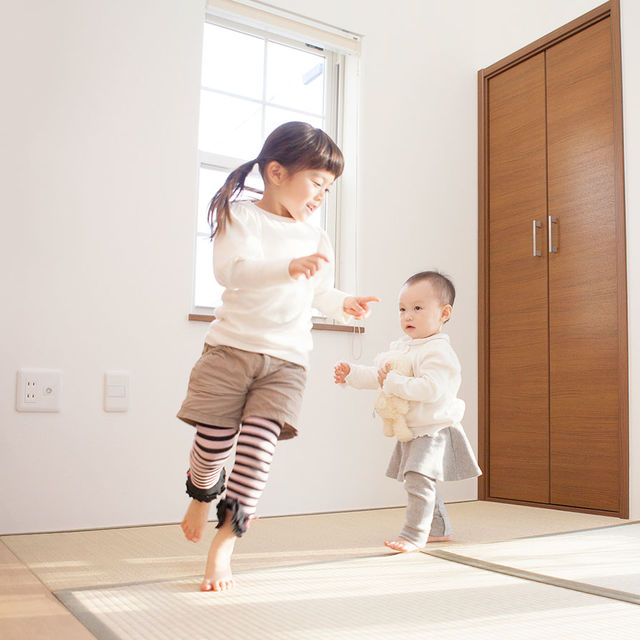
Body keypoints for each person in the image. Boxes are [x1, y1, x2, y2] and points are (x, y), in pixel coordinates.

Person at [177, 121, 379, 592]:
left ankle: (225, 542)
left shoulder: (315, 236)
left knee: (258, 451)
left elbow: (319, 291)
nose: (320, 196)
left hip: (288, 361)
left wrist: (342, 301)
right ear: (276, 172)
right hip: (231, 350)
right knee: (215, 440)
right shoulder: (241, 217)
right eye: (316, 183)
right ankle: (201, 490)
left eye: (328, 190)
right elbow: (233, 272)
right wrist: (287, 266)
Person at [334, 271, 481, 552]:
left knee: (417, 478)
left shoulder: (438, 352)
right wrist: (352, 374)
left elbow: (431, 389)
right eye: (402, 309)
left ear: (444, 313)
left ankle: (414, 533)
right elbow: (381, 377)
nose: (408, 316)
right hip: (414, 430)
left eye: (417, 308)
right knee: (420, 478)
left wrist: (393, 381)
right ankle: (437, 528)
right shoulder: (402, 347)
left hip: (435, 429)